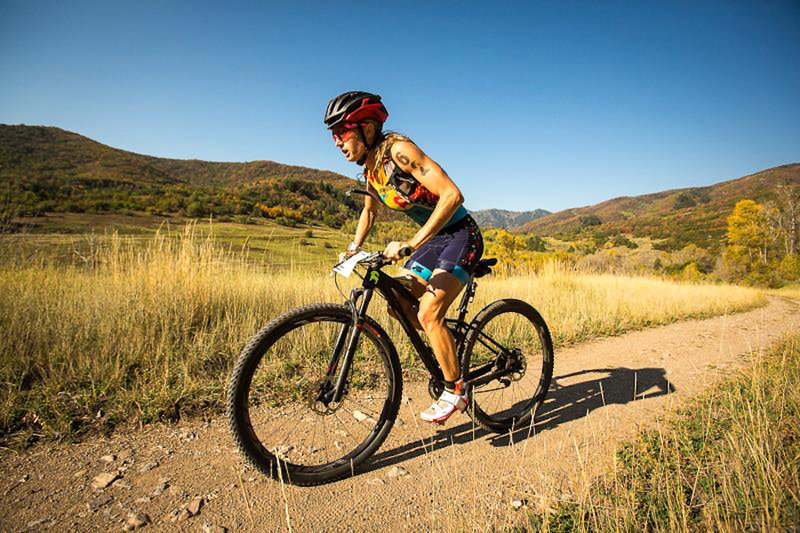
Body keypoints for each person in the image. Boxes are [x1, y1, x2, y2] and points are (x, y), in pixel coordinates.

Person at [324, 91, 484, 424]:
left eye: (343, 132)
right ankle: (447, 345)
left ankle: (456, 389)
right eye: (333, 135)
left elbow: (452, 195)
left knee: (428, 312)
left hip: (460, 235)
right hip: (434, 241)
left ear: (367, 129)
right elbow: (369, 213)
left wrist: (411, 242)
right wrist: (354, 247)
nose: (337, 142)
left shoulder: (399, 151)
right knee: (397, 302)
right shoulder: (371, 170)